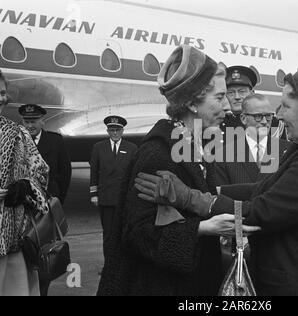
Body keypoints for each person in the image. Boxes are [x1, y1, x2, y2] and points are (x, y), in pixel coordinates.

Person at [136, 55, 298, 296]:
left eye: (285, 106)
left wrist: (193, 199)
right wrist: (214, 191)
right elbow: (265, 187)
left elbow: (261, 212)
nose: (279, 116)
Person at [97, 45, 259, 296]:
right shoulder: (158, 154)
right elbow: (137, 234)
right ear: (193, 102)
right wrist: (203, 229)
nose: (228, 107)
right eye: (218, 97)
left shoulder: (194, 147)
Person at [0, 70, 49, 296]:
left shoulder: (17, 133)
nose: (3, 98)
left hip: (10, 241)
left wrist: (26, 186)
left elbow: (41, 174)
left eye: (3, 92)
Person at [90, 115, 137, 266]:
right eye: (112, 130)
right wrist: (94, 194)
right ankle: (109, 264)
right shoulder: (99, 147)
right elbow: (94, 172)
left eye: (117, 130)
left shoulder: (132, 148)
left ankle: (123, 264)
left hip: (124, 199)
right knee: (108, 234)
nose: (115, 133)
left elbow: (134, 174)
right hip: (106, 197)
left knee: (124, 231)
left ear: (123, 130)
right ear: (107, 131)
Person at [215, 94, 288, 185]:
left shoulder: (287, 150)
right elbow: (222, 195)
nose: (264, 122)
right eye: (258, 116)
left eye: (268, 116)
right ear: (243, 118)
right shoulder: (224, 155)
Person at [18, 104, 72, 205]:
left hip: (49, 198)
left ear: (42, 121)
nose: (29, 126)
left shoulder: (56, 141)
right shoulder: (17, 141)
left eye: (33, 122)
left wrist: (59, 199)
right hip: (23, 200)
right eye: (26, 122)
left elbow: (65, 172)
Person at [221, 65, 286, 140]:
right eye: (231, 92)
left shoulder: (273, 124)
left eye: (242, 92)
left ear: (252, 93)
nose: (237, 97)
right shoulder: (218, 123)